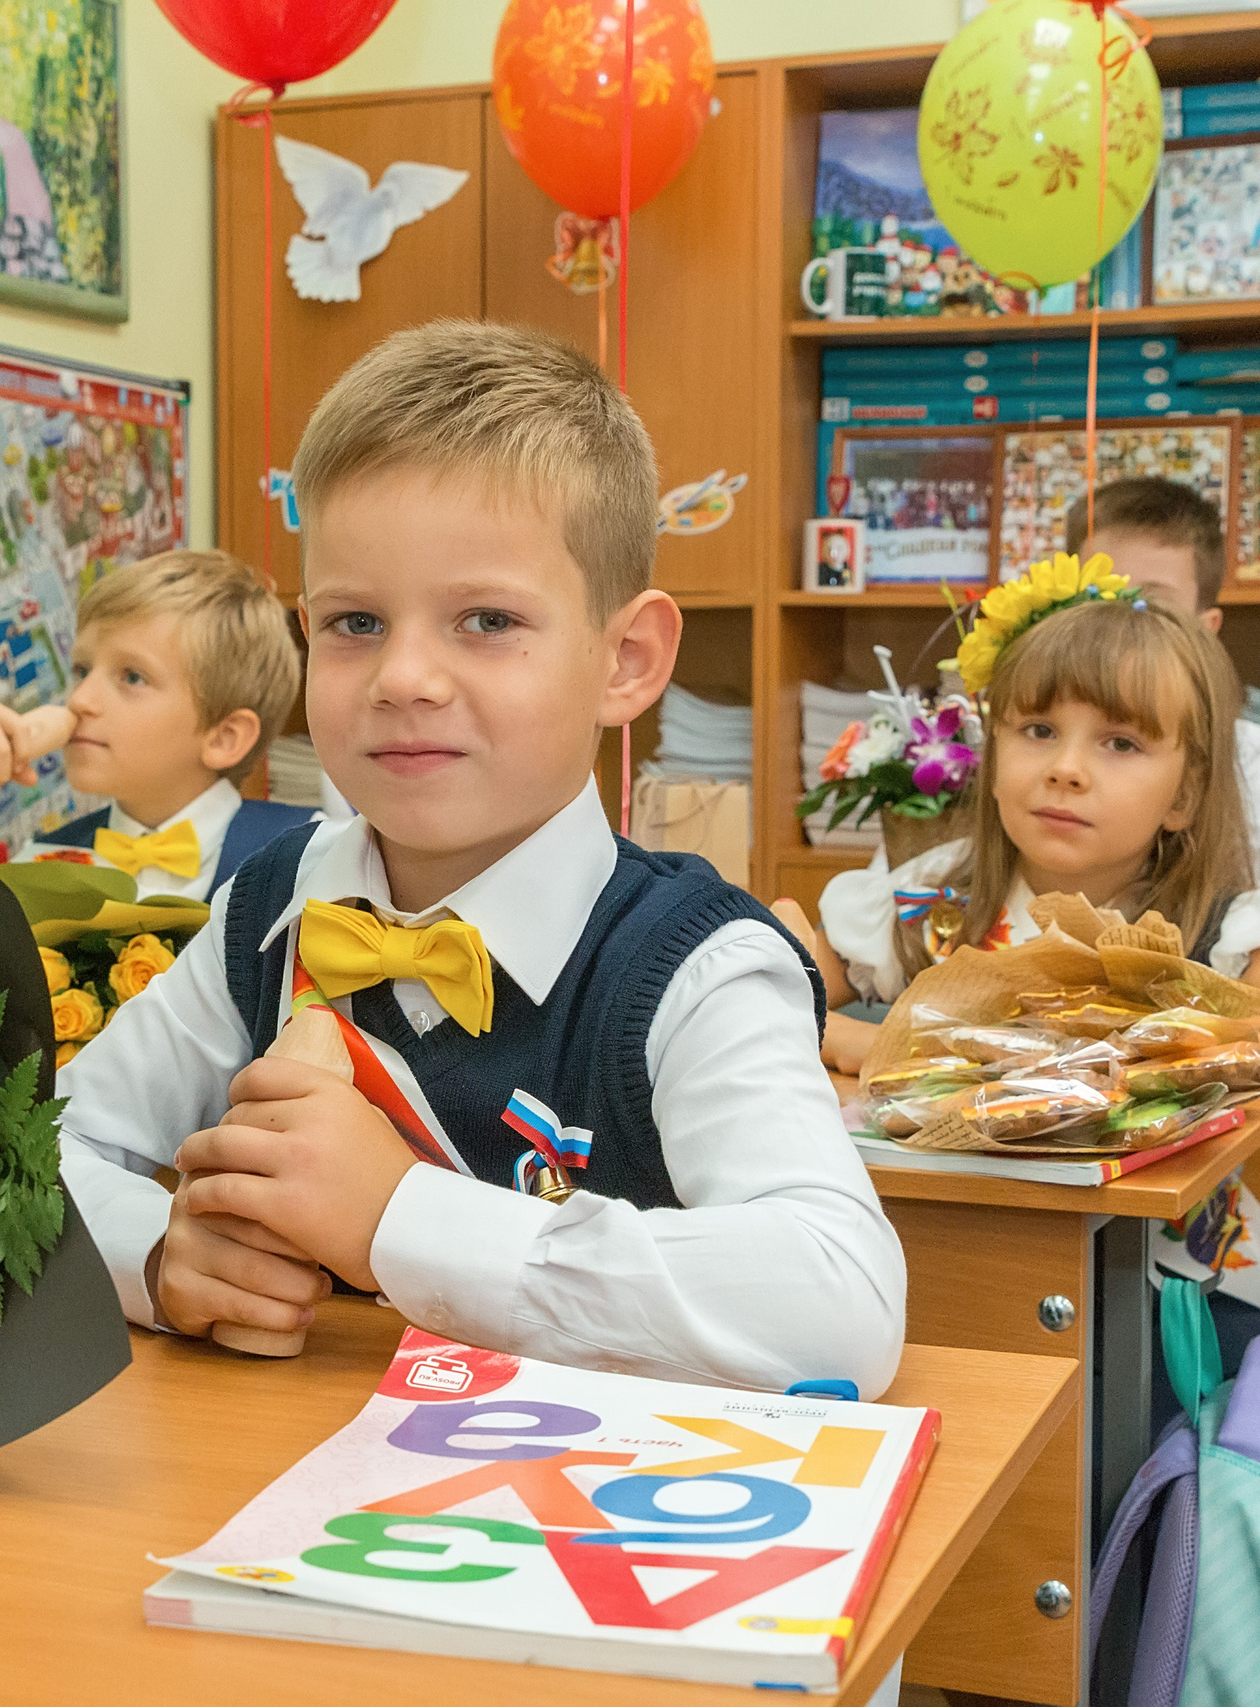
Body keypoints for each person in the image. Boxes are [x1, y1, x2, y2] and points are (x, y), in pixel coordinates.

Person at [54, 320, 908, 1395]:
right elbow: (40, 1151)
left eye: (487, 620)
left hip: (601, 1530)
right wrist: (158, 1254)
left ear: (626, 660)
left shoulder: (695, 967)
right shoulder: (266, 909)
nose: (404, 676)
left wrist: (393, 1219)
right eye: (355, 620)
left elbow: (841, 1308)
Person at [805, 594, 1260, 1102]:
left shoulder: (1214, 929)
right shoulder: (933, 896)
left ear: (1183, 796)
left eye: (1121, 743)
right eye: (1039, 731)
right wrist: (850, 1036)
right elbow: (782, 988)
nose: (1066, 769)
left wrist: (1135, 1040)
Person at [0, 549, 315, 900]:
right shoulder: (38, 868)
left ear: (224, 738)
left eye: (132, 677)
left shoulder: (308, 861)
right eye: (82, 670)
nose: (80, 700)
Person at [1064, 477, 1260, 957]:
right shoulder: (1016, 735)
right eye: (1098, 598)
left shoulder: (1235, 747)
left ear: (1206, 631)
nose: (1120, 625)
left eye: (1152, 605)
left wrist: (1221, 945)